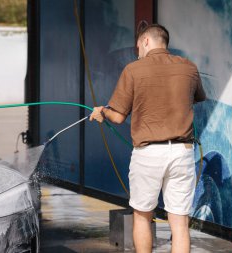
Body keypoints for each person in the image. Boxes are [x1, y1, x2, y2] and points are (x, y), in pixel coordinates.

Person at [89, 22, 206, 253]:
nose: (138, 52)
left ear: (146, 41)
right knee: (180, 223)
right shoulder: (189, 68)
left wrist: (102, 111)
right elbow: (196, 97)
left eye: (138, 47)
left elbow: (119, 116)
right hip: (182, 153)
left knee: (142, 216)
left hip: (149, 153)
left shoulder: (134, 70)